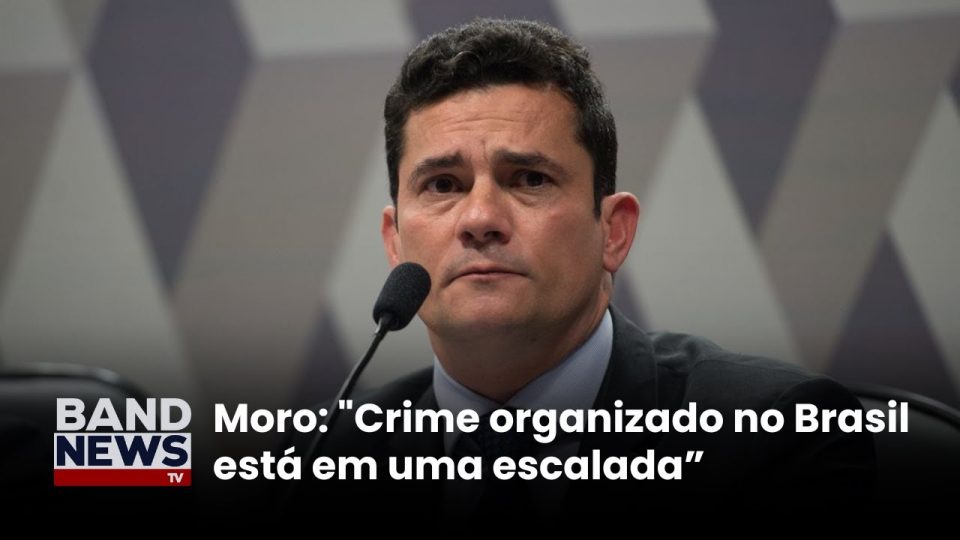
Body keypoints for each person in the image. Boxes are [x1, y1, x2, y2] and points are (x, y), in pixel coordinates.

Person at [293, 18, 876, 516]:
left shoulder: (778, 440)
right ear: (396, 243)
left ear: (613, 231)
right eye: (443, 185)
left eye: (529, 179)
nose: (480, 218)